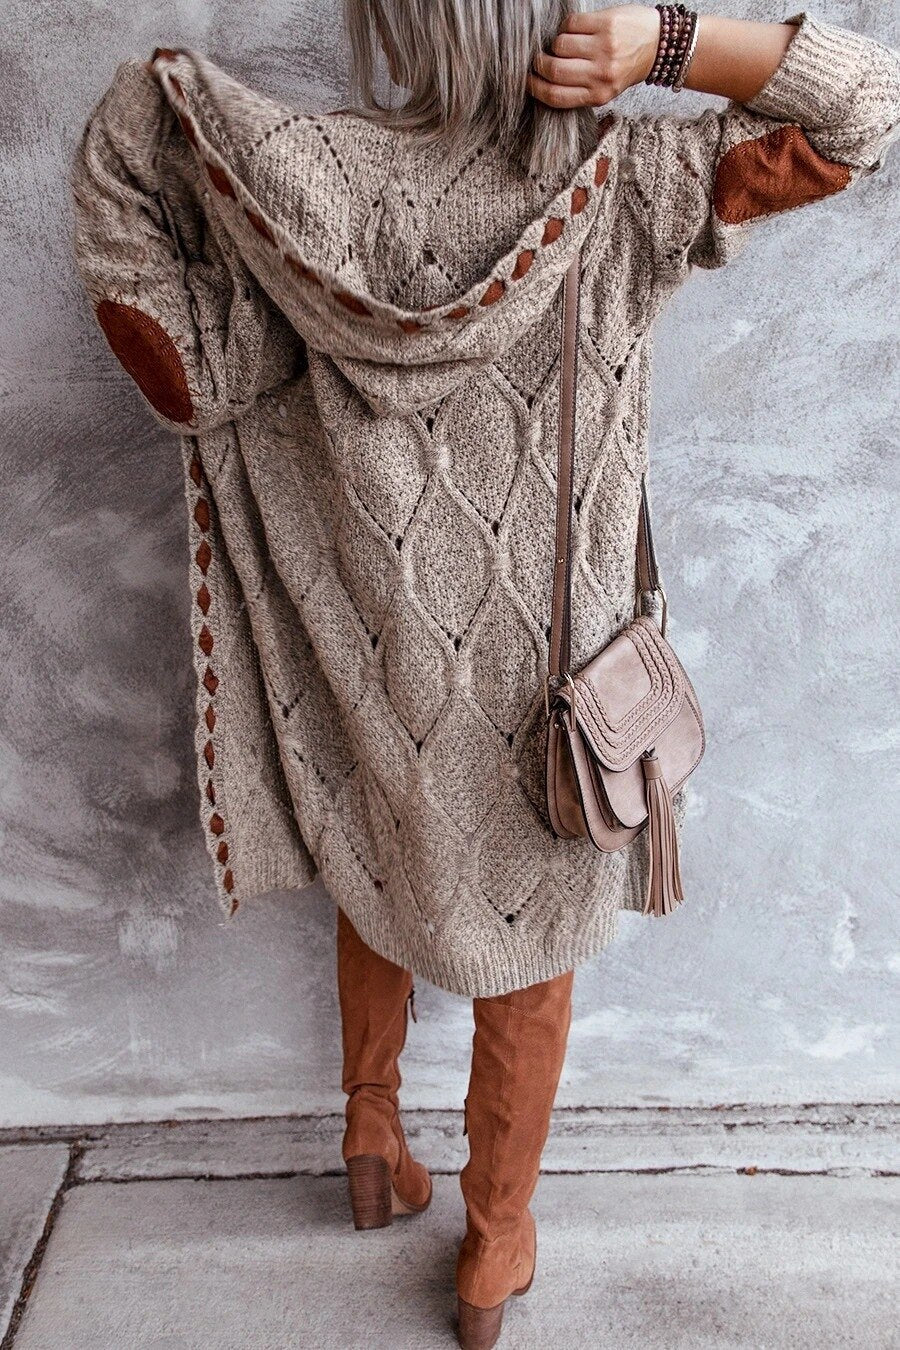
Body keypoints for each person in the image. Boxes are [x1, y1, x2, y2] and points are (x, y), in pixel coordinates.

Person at [71, 4, 899, 1345]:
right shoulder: (632, 182)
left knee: (380, 853)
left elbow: (160, 249)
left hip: (371, 658)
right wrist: (666, 43)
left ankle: (370, 1131)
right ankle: (494, 1241)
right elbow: (867, 109)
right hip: (551, 689)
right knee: (536, 938)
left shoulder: (303, 178)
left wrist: (151, 296)